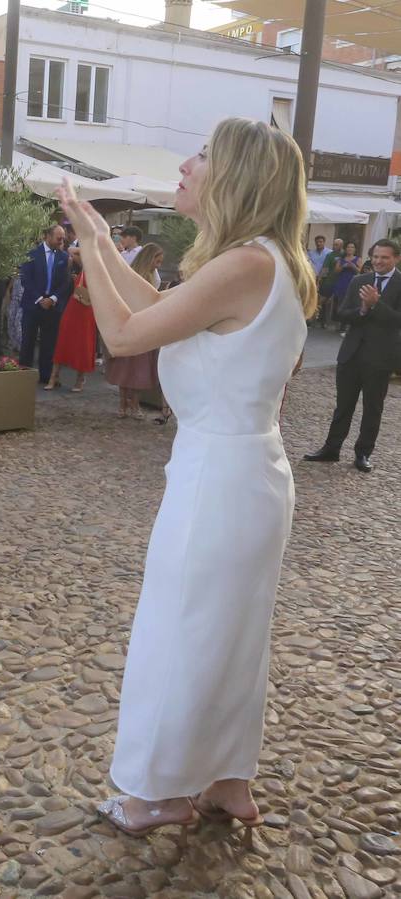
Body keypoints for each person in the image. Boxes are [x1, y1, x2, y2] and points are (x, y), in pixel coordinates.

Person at [59, 116, 315, 837]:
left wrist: (86, 241)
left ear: (233, 175)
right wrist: (105, 243)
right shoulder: (263, 261)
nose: (185, 163)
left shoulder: (243, 266)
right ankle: (229, 780)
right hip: (245, 471)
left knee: (178, 632)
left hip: (219, 477)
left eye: (200, 154)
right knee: (229, 633)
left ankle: (155, 794)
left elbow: (125, 334)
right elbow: (164, 310)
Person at [303, 239, 400, 473]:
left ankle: (363, 453)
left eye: (384, 257)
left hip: (380, 357)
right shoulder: (360, 280)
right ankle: (331, 448)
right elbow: (342, 314)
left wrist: (376, 305)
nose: (378, 261)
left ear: (396, 258)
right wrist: (363, 309)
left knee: (372, 407)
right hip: (351, 354)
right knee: (343, 405)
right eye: (375, 256)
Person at [104, 243, 165, 418]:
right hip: (130, 321)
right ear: (149, 259)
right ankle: (123, 403)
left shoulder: (155, 277)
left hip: (145, 323)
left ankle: (134, 404)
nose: (158, 265)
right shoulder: (131, 275)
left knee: (140, 368)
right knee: (125, 366)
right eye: (157, 261)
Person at [18, 224, 72, 385]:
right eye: (58, 238)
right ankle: (24, 375)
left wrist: (53, 298)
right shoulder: (31, 255)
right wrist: (40, 299)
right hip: (33, 305)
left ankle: (46, 375)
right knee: (28, 341)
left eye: (63, 238)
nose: (61, 241)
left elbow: (66, 282)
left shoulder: (63, 257)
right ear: (47, 236)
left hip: (53, 307)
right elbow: (26, 280)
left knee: (49, 343)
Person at [48, 246, 98, 391]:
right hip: (73, 307)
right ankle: (54, 376)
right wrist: (88, 246)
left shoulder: (101, 272)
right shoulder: (85, 267)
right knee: (63, 340)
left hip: (87, 310)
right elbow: (71, 250)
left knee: (83, 344)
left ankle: (80, 379)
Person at [325, 241, 362, 331]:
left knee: (350, 304)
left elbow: (360, 272)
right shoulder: (341, 259)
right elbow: (336, 271)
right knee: (340, 303)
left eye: (352, 247)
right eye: (348, 247)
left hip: (352, 283)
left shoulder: (358, 259)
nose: (350, 249)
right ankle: (340, 323)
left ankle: (346, 325)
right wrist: (344, 266)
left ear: (355, 249)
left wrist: (353, 266)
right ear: (345, 249)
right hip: (341, 283)